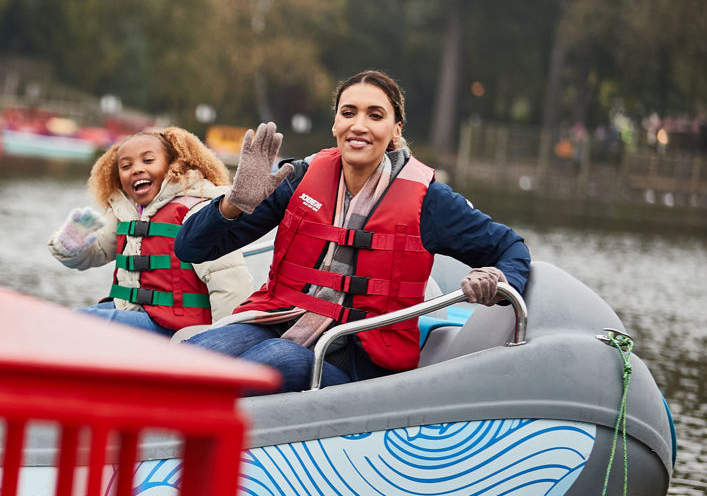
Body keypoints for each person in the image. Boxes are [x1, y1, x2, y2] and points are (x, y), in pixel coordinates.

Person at [175, 70, 531, 393]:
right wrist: (234, 203)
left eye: (375, 115)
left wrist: (497, 277)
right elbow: (190, 248)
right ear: (335, 125)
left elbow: (511, 248)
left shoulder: (431, 200)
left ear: (396, 130)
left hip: (362, 357)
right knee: (197, 354)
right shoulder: (298, 178)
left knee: (278, 358)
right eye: (348, 113)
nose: (359, 125)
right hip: (281, 319)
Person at [47, 126, 253, 336]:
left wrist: (222, 340)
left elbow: (230, 283)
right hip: (131, 312)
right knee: (64, 320)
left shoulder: (196, 210)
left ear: (173, 165)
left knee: (80, 321)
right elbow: (98, 253)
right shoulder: (124, 211)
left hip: (178, 326)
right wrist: (71, 244)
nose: (136, 169)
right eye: (126, 166)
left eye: (148, 161)